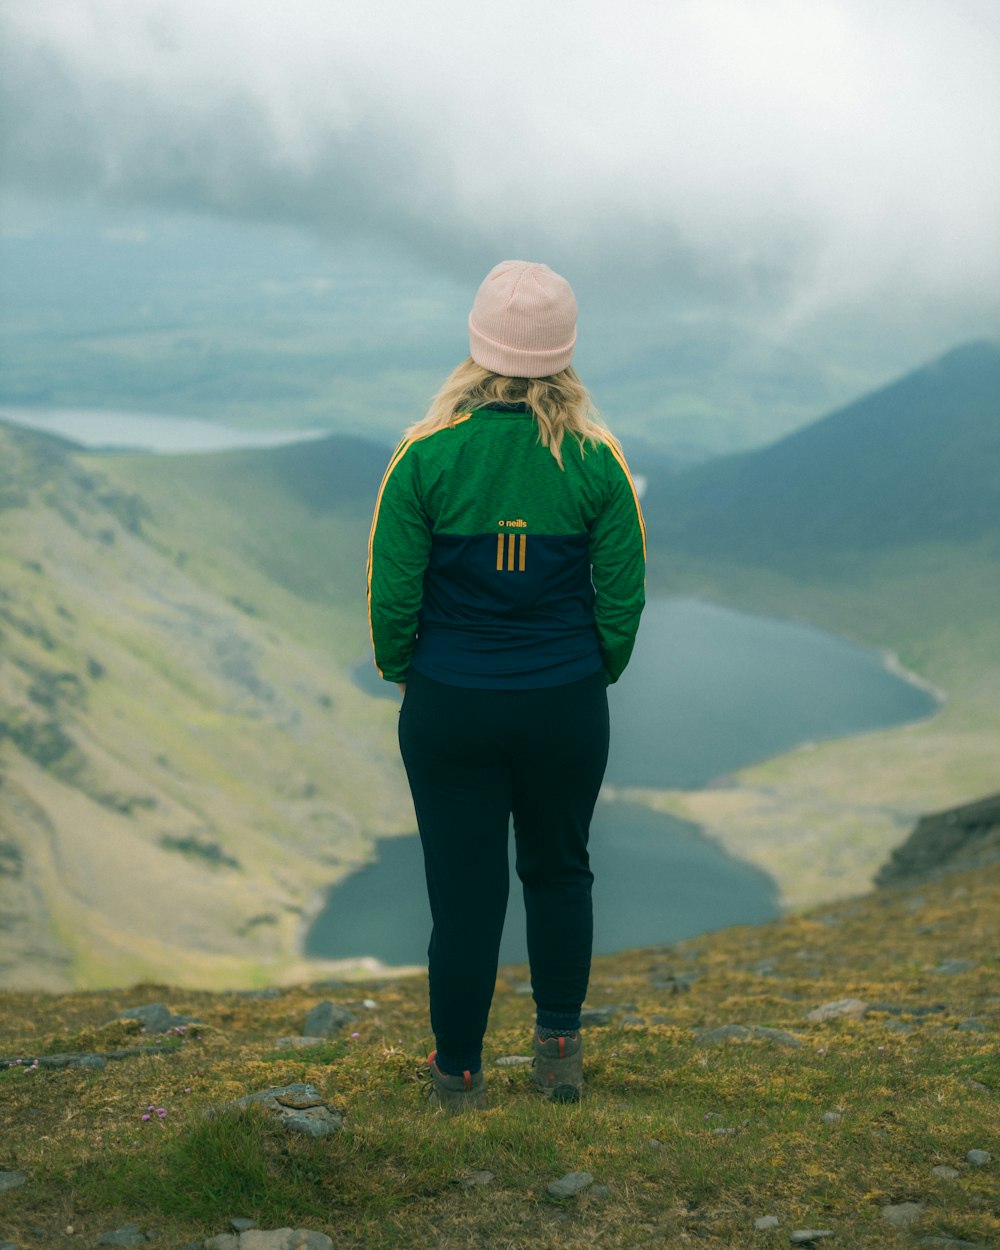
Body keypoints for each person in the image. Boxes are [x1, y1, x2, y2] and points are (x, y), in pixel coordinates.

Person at [366, 260, 646, 1111]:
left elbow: (392, 603)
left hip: (451, 705)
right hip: (564, 702)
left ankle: (456, 1076)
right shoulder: (598, 463)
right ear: (564, 354)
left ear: (477, 347)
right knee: (561, 871)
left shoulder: (425, 460)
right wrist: (587, 673)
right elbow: (624, 599)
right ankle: (559, 1054)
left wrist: (414, 673)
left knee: (466, 896)